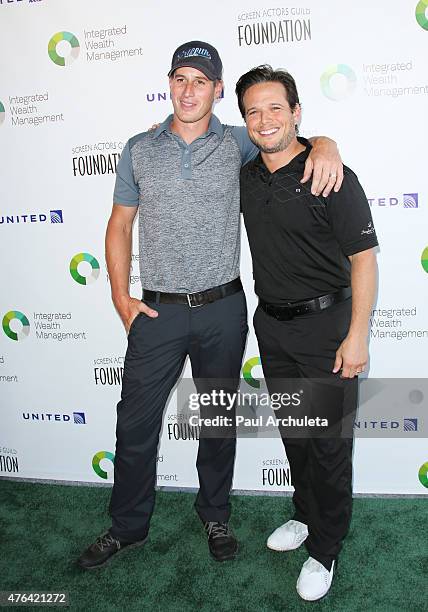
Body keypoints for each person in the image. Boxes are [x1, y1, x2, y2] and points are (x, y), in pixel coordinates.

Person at [77, 42, 343, 570]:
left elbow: (288, 138)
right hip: (157, 311)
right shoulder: (139, 148)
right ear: (169, 83)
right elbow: (119, 224)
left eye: (201, 80)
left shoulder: (239, 143)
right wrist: (119, 296)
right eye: (180, 77)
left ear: (218, 89)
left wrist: (327, 143)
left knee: (217, 418)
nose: (189, 89)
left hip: (223, 307)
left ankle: (215, 514)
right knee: (135, 423)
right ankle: (127, 526)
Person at [236, 65, 378, 601]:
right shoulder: (248, 173)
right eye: (254, 110)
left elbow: (364, 259)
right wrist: (322, 139)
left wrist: (357, 335)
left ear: (297, 112)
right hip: (271, 326)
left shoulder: (332, 173)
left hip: (328, 330)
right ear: (245, 120)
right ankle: (303, 514)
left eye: (277, 107)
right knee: (296, 435)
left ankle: (326, 547)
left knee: (329, 445)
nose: (265, 119)